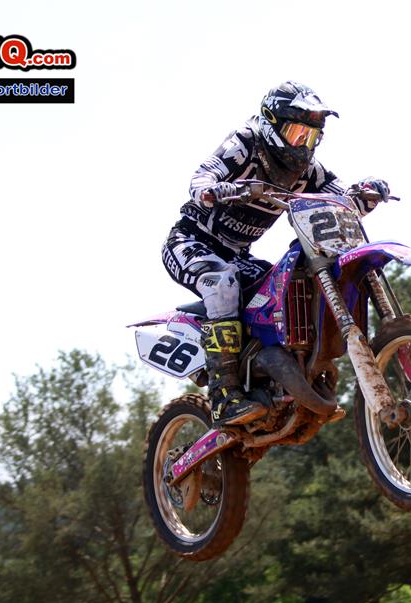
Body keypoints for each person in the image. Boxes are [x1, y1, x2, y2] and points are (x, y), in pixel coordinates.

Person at [161, 81, 391, 427]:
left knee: (281, 290)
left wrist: (363, 194)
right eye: (296, 133)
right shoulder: (245, 144)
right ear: (271, 123)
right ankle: (224, 397)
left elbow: (339, 199)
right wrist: (212, 189)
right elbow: (202, 176)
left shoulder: (307, 171)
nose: (302, 144)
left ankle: (274, 378)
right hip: (192, 241)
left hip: (237, 256)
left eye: (310, 136)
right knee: (223, 284)